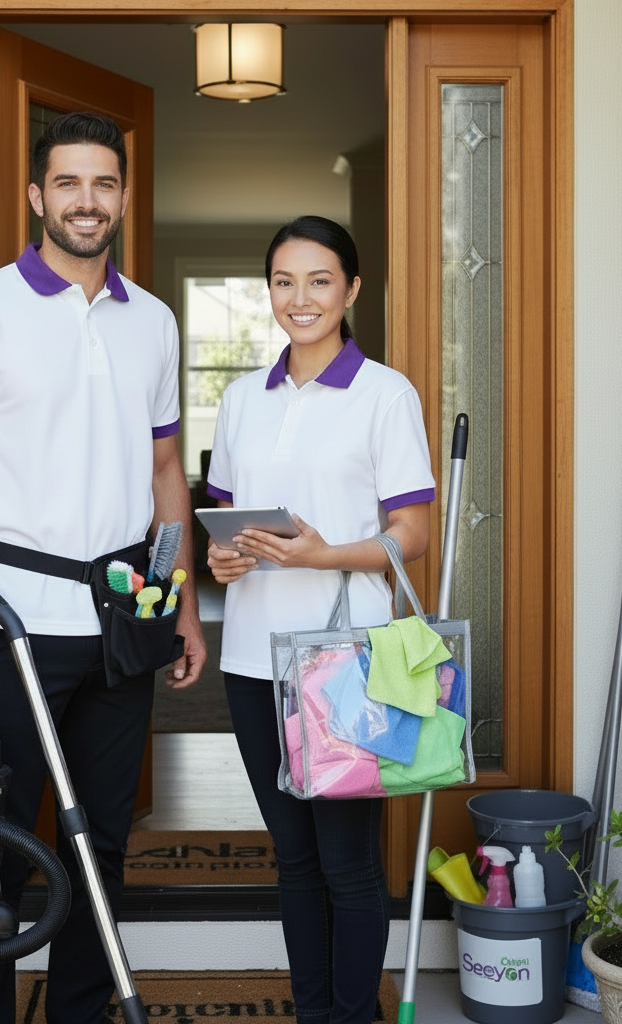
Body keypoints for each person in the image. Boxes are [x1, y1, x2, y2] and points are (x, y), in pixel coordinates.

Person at [0, 111, 206, 1024]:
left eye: (104, 184)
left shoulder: (152, 321)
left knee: (100, 845)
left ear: (121, 197)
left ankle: (79, 1012)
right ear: (38, 195)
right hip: (8, 627)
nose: (87, 201)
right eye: (68, 183)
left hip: (122, 625)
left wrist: (181, 605)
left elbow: (164, 473)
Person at [206, 216, 434, 1024]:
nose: (299, 299)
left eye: (319, 281)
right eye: (283, 281)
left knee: (347, 862)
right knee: (293, 858)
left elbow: (414, 535)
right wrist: (224, 561)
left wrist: (323, 554)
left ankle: (351, 1017)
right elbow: (229, 523)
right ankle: (315, 1014)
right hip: (252, 662)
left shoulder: (385, 393)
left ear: (352, 290)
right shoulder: (241, 399)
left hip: (349, 659)